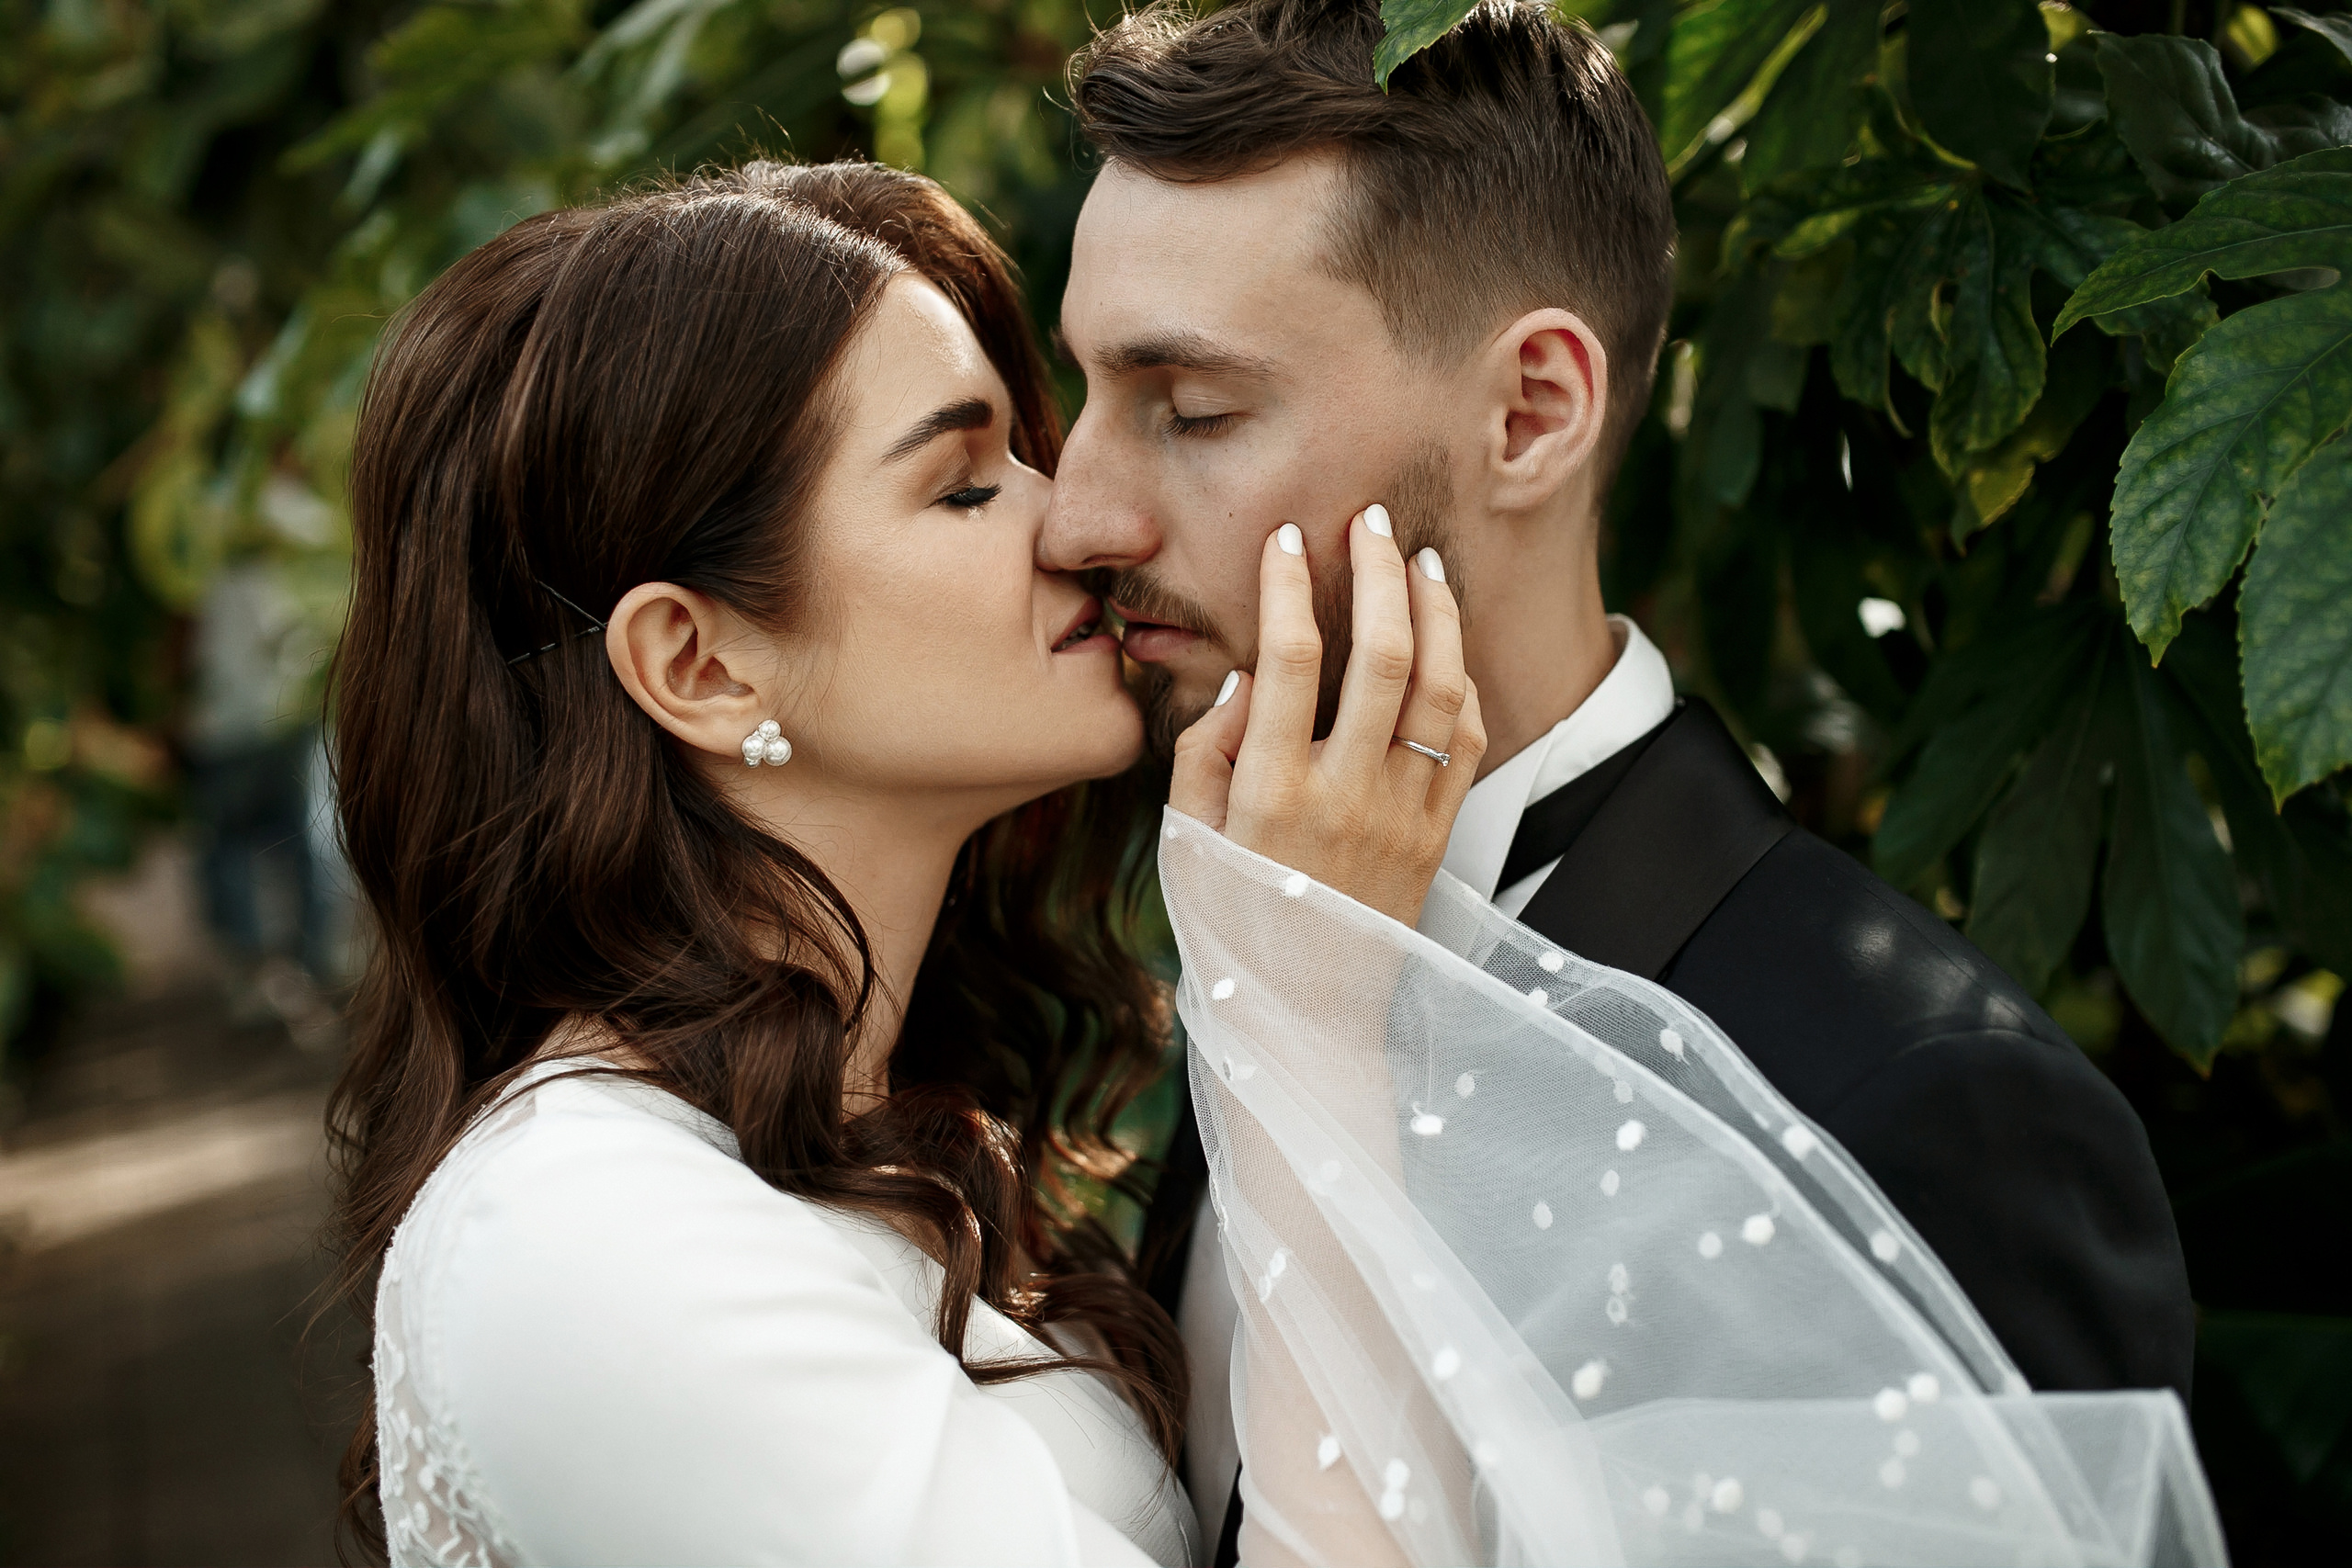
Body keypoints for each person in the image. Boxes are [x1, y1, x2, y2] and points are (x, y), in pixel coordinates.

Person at [1046, 2, 2194, 1557]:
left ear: (1532, 413)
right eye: (1090, 399)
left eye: (1192, 411)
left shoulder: (1918, 1109)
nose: (1080, 517)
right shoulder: (1263, 922)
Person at [324, 160, 1476, 1567]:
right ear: (699, 664)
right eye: (965, 483)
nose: (1077, 521)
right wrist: (1316, 1007)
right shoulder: (585, 1239)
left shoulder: (861, 1136)